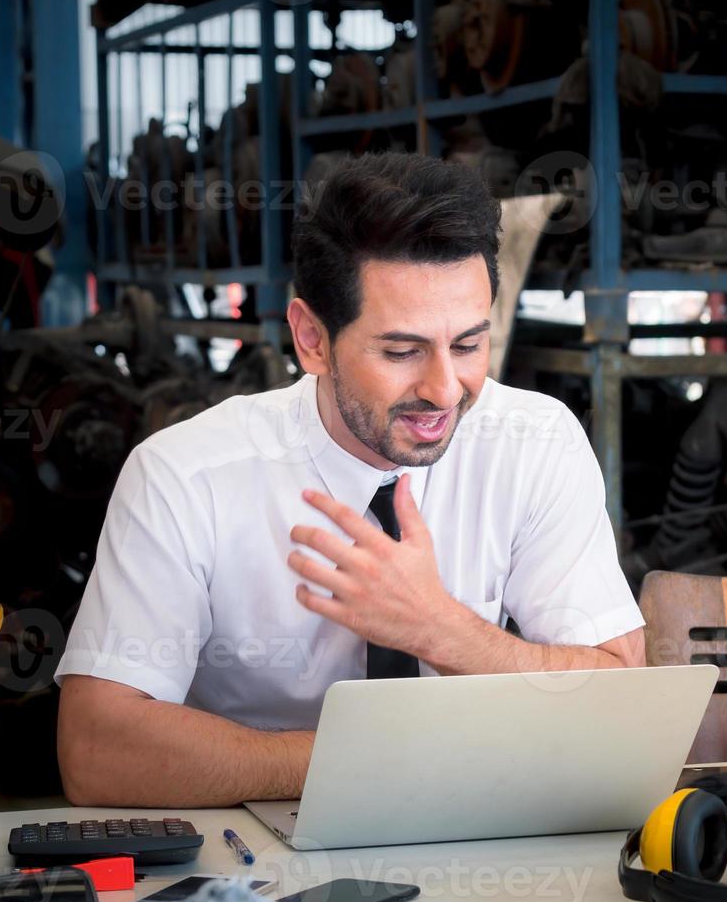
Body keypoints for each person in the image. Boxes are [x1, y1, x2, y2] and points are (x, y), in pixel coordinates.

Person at [56, 153, 646, 807]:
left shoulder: (535, 441)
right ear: (311, 339)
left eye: (469, 344)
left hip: (481, 829)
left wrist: (437, 629)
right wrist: (357, 763)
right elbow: (95, 749)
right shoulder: (185, 475)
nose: (445, 388)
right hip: (256, 851)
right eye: (401, 352)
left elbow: (622, 699)